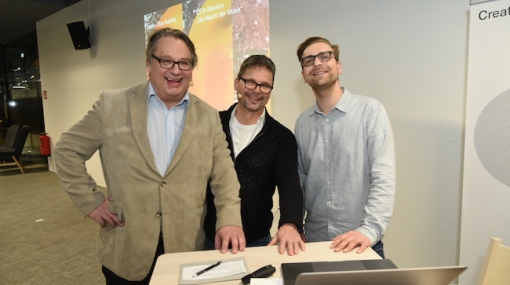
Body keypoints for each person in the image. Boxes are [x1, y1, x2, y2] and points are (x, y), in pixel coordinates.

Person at [53, 28, 245, 284]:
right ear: (149, 64)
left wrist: (230, 220)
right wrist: (90, 201)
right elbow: (66, 150)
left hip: (185, 249)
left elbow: (225, 176)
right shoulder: (112, 105)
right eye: (166, 61)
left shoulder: (209, 116)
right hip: (126, 249)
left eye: (184, 63)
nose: (175, 70)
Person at [294, 36, 395, 258]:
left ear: (338, 66)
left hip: (361, 244)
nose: (317, 63)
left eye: (324, 56)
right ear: (303, 75)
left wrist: (370, 231)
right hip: (314, 245)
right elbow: (300, 182)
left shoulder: (370, 111)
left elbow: (383, 177)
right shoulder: (303, 123)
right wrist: (294, 226)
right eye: (308, 60)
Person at [203, 55, 305, 255]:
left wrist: (290, 224)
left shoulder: (282, 137)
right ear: (237, 83)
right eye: (250, 82)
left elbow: (290, 186)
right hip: (209, 240)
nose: (257, 91)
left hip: (257, 243)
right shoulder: (213, 124)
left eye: (265, 85)